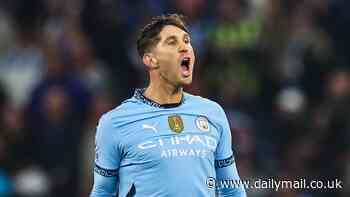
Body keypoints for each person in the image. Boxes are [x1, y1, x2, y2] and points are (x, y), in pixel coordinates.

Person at [90, 14, 247, 197]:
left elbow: (232, 189)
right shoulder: (114, 123)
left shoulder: (213, 113)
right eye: (172, 42)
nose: (185, 47)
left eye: (187, 41)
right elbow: (102, 191)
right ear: (151, 60)